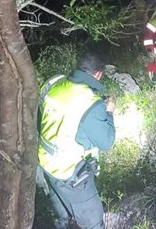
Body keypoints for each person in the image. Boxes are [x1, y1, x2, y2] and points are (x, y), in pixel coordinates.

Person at [37, 52, 115, 229]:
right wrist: (109, 112)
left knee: (62, 219)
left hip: (46, 166)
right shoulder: (91, 102)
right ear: (98, 74)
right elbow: (106, 142)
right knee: (94, 224)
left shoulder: (54, 83)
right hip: (70, 174)